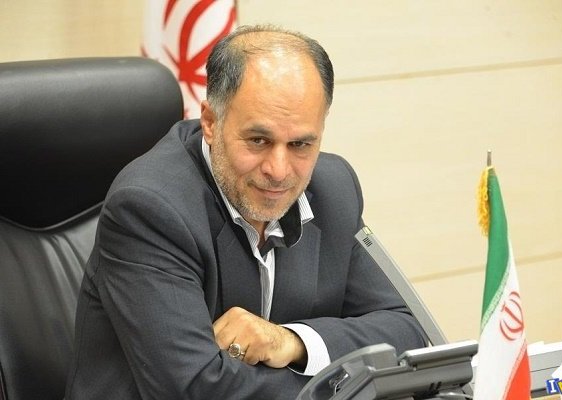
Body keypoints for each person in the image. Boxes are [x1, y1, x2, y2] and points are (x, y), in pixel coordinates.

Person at [65, 25, 426, 399]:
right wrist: (349, 381)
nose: (279, 170)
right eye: (258, 140)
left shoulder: (333, 189)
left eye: (300, 144)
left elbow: (410, 333)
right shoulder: (149, 208)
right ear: (210, 122)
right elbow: (196, 390)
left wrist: (292, 342)